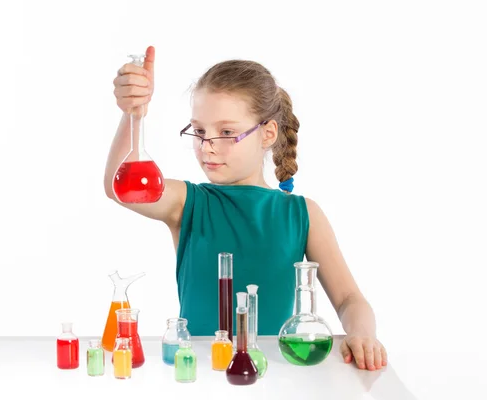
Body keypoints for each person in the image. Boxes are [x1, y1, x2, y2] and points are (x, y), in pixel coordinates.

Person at [105, 46, 387, 371]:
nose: (207, 146)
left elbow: (349, 299)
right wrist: (134, 116)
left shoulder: (302, 214)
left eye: (226, 132)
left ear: (267, 133)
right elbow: (120, 188)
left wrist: (363, 334)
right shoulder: (189, 203)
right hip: (198, 375)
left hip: (275, 376)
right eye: (199, 131)